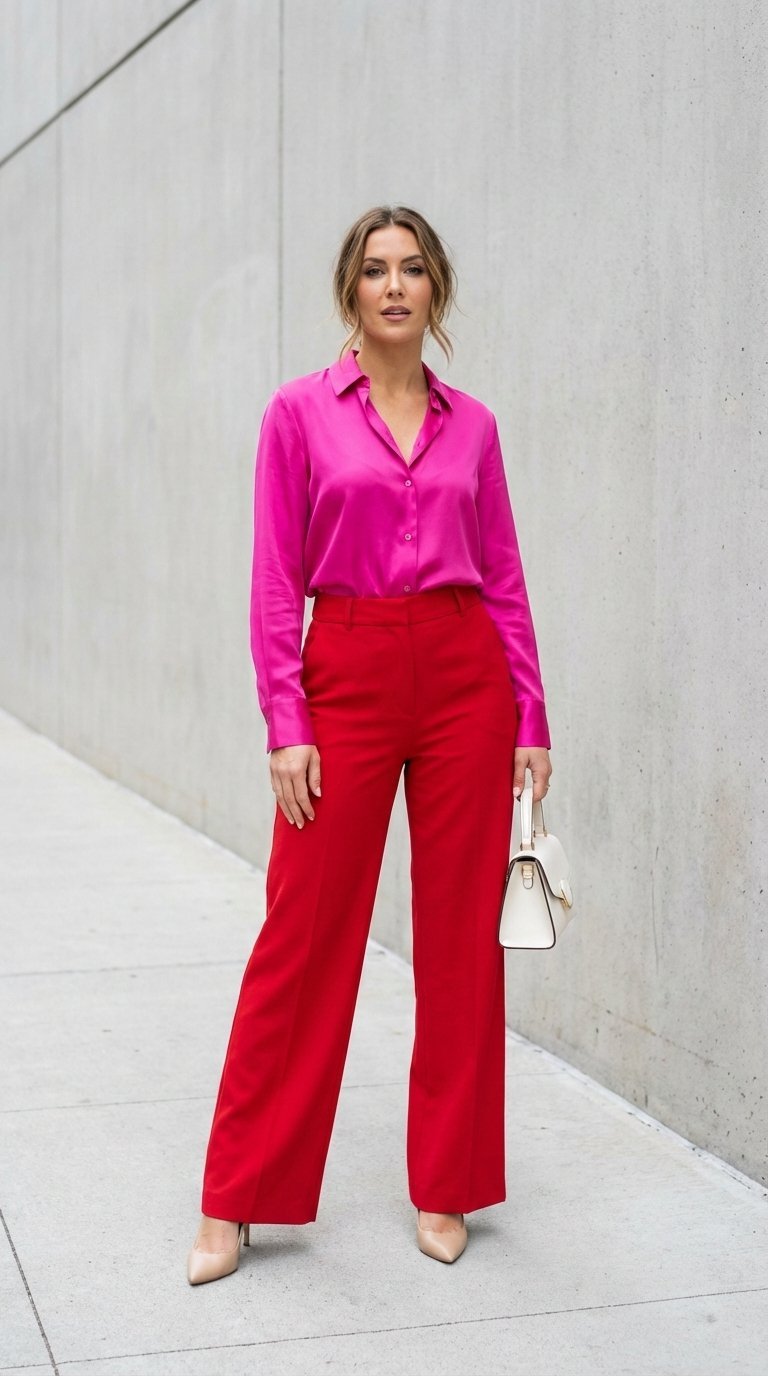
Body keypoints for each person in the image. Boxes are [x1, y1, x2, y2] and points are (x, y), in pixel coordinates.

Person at [187, 205, 553, 1283]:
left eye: (413, 270)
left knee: (458, 944)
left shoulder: (473, 427)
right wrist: (284, 719)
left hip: (461, 676)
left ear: (436, 289)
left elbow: (504, 577)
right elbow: (271, 577)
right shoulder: (298, 415)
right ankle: (236, 1192)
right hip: (341, 667)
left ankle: (447, 1182)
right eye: (374, 270)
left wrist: (531, 715)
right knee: (301, 937)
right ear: (350, 292)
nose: (394, 286)